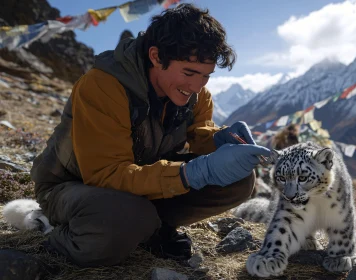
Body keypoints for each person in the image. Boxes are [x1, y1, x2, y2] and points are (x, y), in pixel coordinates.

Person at [30, 3, 269, 267]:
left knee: (239, 179)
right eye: (189, 72)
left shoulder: (196, 94)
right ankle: (58, 234)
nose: (197, 86)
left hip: (140, 185)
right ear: (156, 57)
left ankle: (150, 228)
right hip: (74, 187)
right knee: (131, 216)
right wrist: (193, 173)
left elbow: (199, 131)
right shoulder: (103, 86)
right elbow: (106, 174)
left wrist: (219, 140)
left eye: (206, 75)